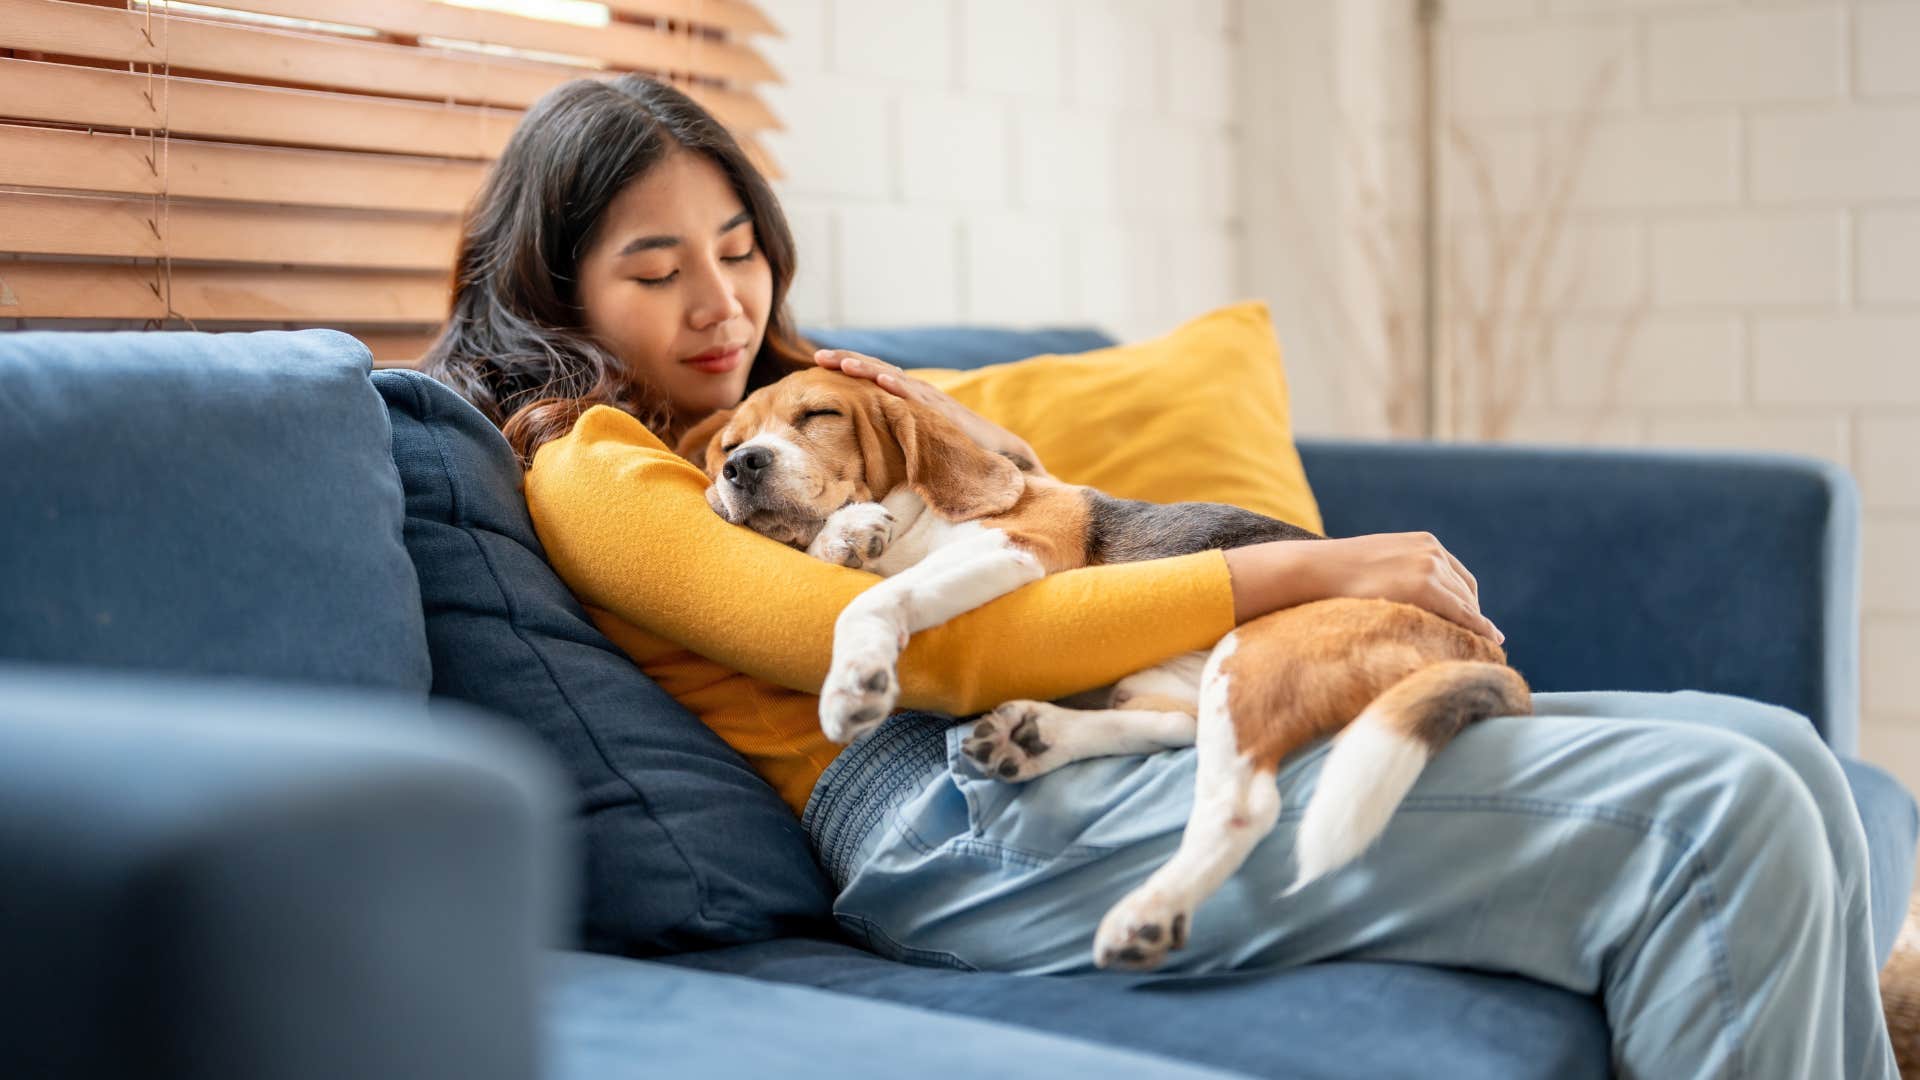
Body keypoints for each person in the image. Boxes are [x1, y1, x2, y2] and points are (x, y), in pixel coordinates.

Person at [422, 74, 1894, 1078]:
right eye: (656, 266)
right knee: (1725, 812)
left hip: (1075, 751)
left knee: (1773, 748)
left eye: (740, 251)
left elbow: (1031, 518)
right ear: (557, 291)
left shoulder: (794, 414)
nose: (723, 300)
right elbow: (928, 660)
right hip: (952, 817)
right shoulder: (600, 468)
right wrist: (1311, 567)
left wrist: (929, 425)